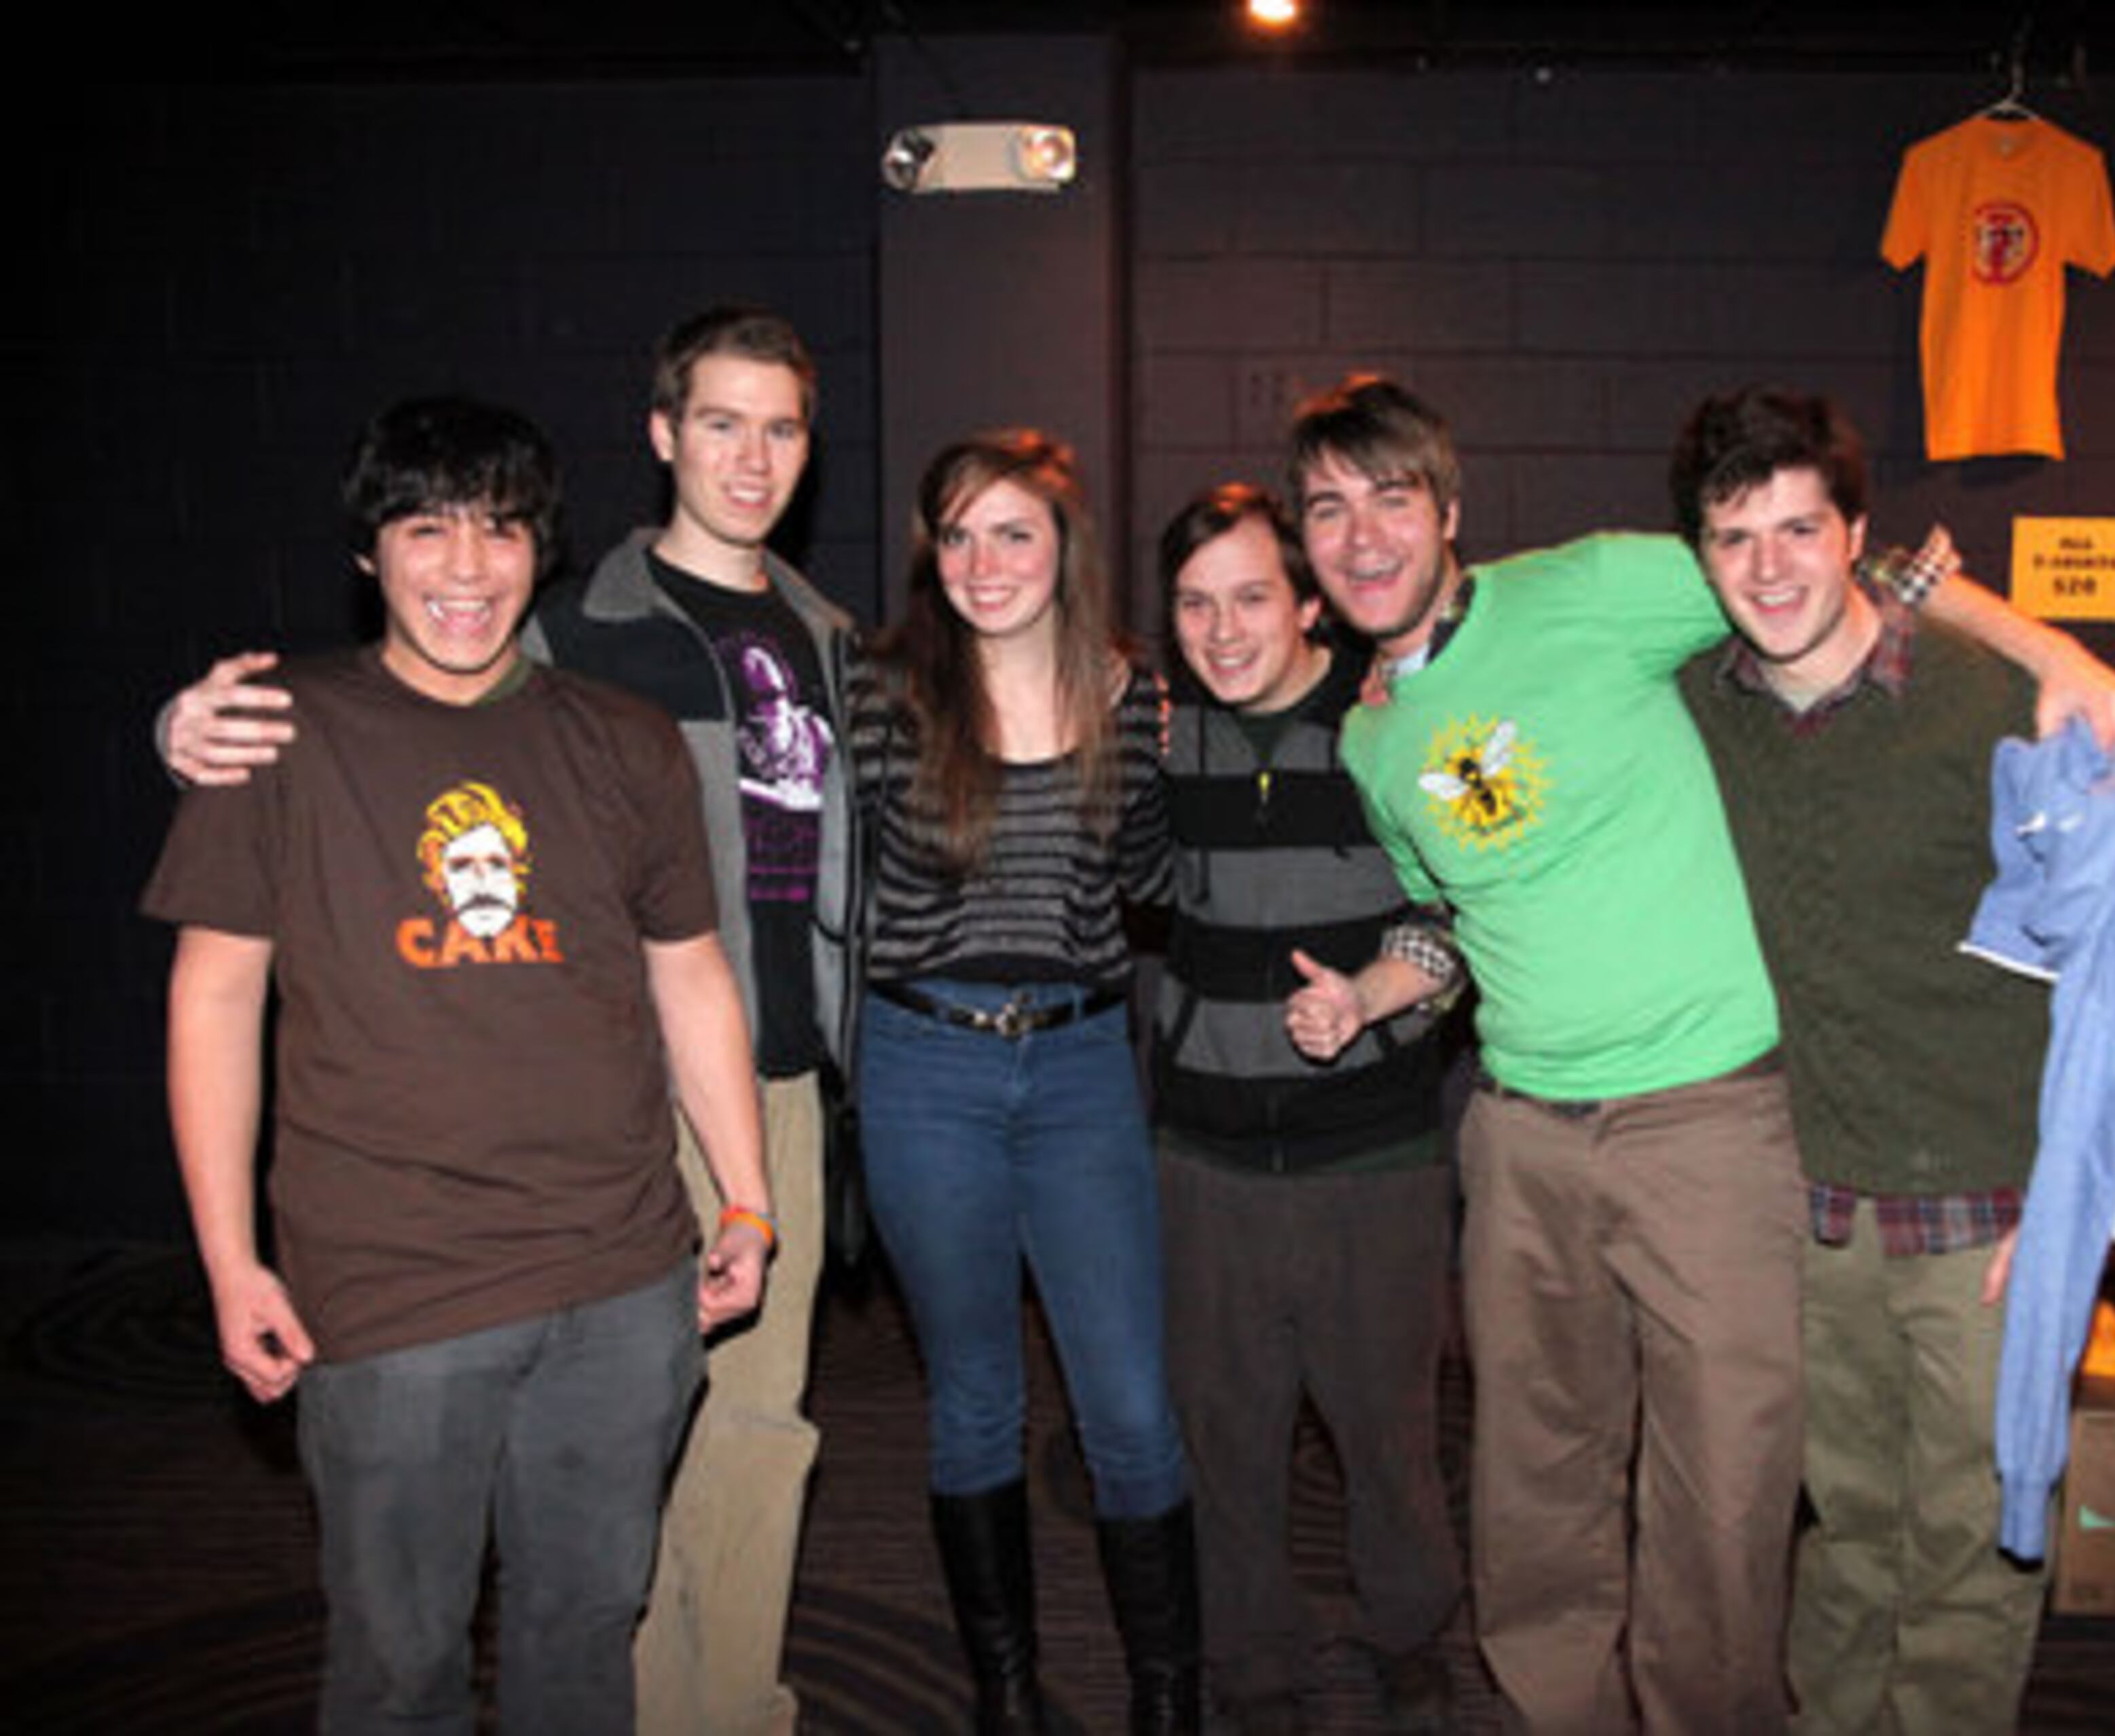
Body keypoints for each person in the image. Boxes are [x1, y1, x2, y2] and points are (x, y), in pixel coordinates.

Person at [1283, 373, 2115, 1731]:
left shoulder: (1602, 587)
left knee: (1729, 1477)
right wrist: (1379, 994)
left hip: (1708, 1118)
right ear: (1308, 545)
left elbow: (1861, 575)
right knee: (1537, 1465)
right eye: (1329, 509)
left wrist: (2056, 657)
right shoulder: (1374, 737)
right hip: (1520, 1130)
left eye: (1393, 497)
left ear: (1450, 509)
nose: (1365, 534)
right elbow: (1449, 912)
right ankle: (1558, 1706)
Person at [156, 307, 851, 1736]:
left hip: (622, 1284)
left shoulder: (626, 735)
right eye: (427, 532)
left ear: (540, 546)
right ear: (371, 553)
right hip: (395, 1295)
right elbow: (214, 1001)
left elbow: (692, 977)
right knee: (399, 1665)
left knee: (581, 1642)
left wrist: (747, 1204)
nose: (466, 568)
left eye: (499, 532)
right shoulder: (283, 730)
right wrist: (230, 1263)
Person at [1668, 386, 2053, 1735]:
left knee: (1971, 1534)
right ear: (1701, 555)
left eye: (1798, 529)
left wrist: (2078, 1191)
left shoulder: (1995, 698)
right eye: (1733, 538)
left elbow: (2112, 963)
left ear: (1859, 537)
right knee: (1845, 1528)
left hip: (1990, 1203)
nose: (1768, 567)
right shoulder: (1696, 708)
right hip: (1815, 1198)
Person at [852, 430, 1194, 1733]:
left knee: (1130, 1405)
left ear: (1065, 547)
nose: (984, 562)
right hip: (924, 1067)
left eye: (1013, 533)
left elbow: (1152, 875)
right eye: (956, 534)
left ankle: (1169, 1699)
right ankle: (1005, 1690)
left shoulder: (1131, 691)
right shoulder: (885, 690)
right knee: (976, 1397)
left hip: (1079, 1072)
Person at [1151, 484, 1462, 1735]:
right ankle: (1256, 1667)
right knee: (1225, 1437)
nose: (1222, 632)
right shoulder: (1167, 745)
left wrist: (1383, 996)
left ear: (1310, 601)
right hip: (1203, 1159)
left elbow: (1465, 914)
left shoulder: (1397, 728)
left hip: (1372, 1156)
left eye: (1250, 599)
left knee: (1387, 1431)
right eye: (1192, 604)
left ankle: (1411, 1636)